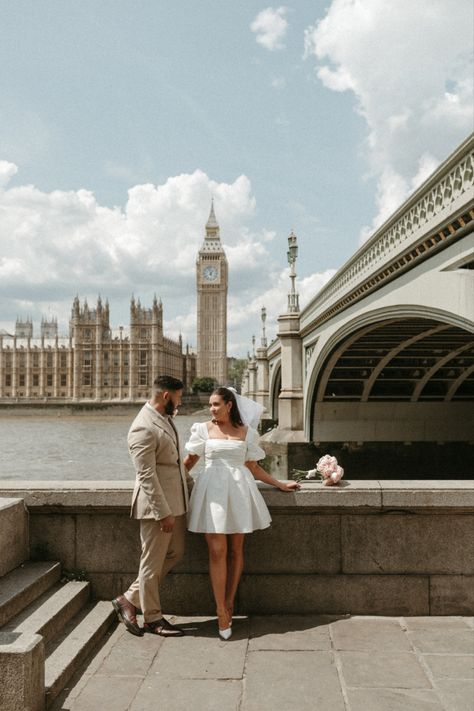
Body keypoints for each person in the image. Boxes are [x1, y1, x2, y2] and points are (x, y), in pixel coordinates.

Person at [183, 386, 300, 640]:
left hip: (239, 490)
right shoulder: (202, 430)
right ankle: (221, 610)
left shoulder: (247, 432)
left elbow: (252, 467)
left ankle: (229, 602)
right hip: (212, 492)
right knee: (217, 551)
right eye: (210, 405)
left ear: (229, 405)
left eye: (216, 404)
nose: (212, 409)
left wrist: (279, 484)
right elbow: (188, 464)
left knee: (236, 550)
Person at [112, 375, 193, 637]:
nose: (180, 403)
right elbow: (146, 474)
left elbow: (175, 462)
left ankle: (128, 598)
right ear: (166, 396)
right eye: (178, 398)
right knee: (151, 562)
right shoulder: (143, 427)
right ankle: (153, 618)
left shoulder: (166, 419)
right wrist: (162, 512)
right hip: (157, 508)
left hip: (176, 502)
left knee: (175, 552)